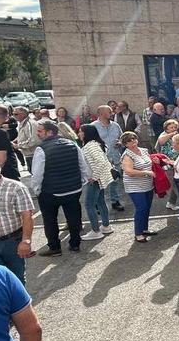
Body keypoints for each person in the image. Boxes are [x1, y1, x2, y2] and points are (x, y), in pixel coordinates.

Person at [29, 119, 89, 256]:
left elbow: (37, 174)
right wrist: (80, 183)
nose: (37, 134)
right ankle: (75, 244)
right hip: (73, 189)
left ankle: (55, 247)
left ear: (49, 132)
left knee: (50, 220)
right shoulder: (72, 144)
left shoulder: (41, 149)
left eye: (40, 131)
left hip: (51, 192)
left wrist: (37, 190)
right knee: (74, 218)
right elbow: (83, 166)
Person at [119, 131, 157, 242]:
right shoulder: (127, 155)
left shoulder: (144, 150)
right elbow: (129, 171)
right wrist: (147, 173)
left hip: (147, 185)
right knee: (141, 208)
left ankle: (144, 229)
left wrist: (155, 161)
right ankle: (138, 233)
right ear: (125, 144)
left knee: (147, 207)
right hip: (134, 186)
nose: (133, 142)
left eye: (134, 139)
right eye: (129, 141)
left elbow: (148, 163)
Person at [79, 124, 114, 240]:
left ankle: (95, 231)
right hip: (100, 179)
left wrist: (94, 177)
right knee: (100, 201)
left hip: (96, 180)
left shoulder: (90, 146)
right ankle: (106, 226)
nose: (79, 134)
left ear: (86, 133)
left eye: (81, 131)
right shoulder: (95, 144)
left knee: (89, 204)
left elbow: (101, 162)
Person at [90, 105, 126, 211]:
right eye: (109, 112)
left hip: (114, 157)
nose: (112, 113)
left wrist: (120, 143)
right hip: (100, 160)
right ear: (101, 113)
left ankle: (115, 201)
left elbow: (122, 138)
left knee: (115, 181)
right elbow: (88, 144)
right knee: (100, 182)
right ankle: (97, 203)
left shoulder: (115, 125)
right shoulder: (92, 127)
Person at [156, 118, 179, 211]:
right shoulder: (164, 135)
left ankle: (171, 203)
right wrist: (172, 134)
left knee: (176, 182)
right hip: (167, 163)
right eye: (171, 127)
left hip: (177, 161)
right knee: (175, 183)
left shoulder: (177, 135)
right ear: (166, 129)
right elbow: (161, 141)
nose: (174, 129)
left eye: (175, 127)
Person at [11, 107, 40, 172]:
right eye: (13, 114)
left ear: (23, 114)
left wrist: (18, 146)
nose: (13, 116)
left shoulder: (30, 124)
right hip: (28, 154)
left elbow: (33, 140)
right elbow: (23, 136)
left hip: (33, 154)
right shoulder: (23, 123)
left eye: (16, 114)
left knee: (36, 174)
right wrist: (15, 140)